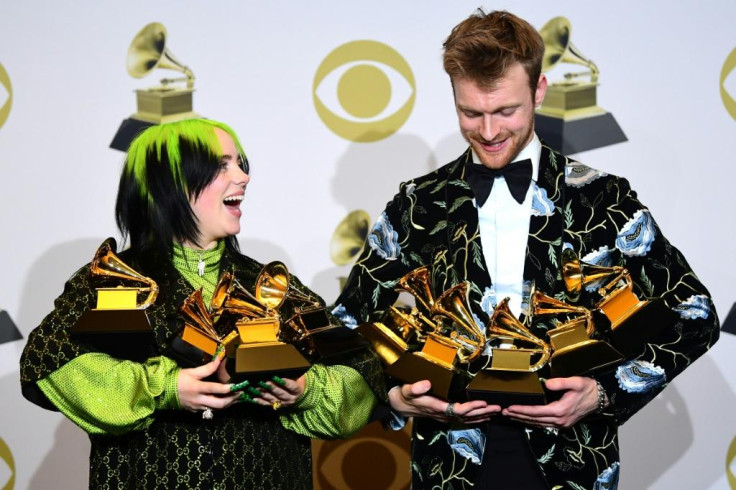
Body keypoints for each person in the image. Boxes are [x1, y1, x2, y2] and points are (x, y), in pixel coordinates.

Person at [332, 9, 719, 489]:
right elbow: (346, 329)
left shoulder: (604, 198)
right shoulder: (417, 205)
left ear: (539, 91)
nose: (489, 132)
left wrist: (603, 393)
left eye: (506, 111)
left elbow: (695, 313)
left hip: (573, 461)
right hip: (448, 464)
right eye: (470, 113)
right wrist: (392, 397)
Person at [20, 119, 385, 489]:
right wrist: (166, 388)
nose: (242, 176)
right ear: (170, 185)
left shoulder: (273, 286)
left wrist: (305, 390)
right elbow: (48, 362)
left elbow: (360, 376)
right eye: (221, 165)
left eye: (241, 163)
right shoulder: (111, 281)